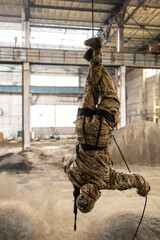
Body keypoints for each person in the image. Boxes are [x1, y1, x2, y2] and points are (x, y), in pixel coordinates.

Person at [62, 37, 150, 213]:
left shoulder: (107, 182)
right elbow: (65, 159)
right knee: (91, 87)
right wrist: (75, 179)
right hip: (82, 130)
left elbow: (136, 180)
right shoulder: (73, 175)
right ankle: (93, 60)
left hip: (101, 131)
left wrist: (145, 189)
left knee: (110, 94)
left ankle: (97, 52)